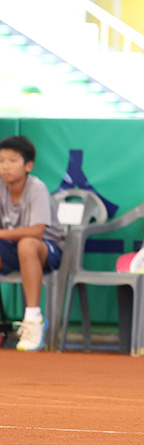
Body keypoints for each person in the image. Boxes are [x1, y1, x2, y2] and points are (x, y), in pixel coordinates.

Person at [0, 135, 65, 351]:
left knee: (27, 244)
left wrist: (2, 234)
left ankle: (33, 319)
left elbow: (38, 232)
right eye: (1, 161)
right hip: (12, 248)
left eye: (12, 161)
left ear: (28, 166)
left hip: (47, 249)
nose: (5, 166)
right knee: (22, 245)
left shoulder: (37, 188)